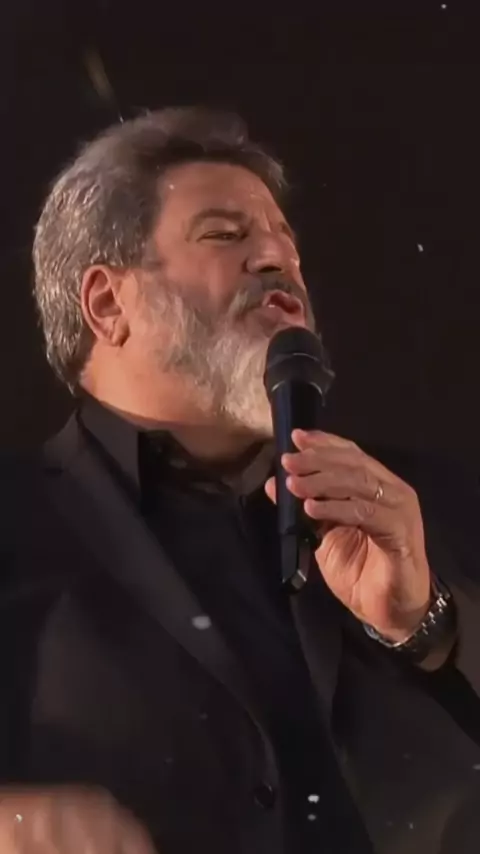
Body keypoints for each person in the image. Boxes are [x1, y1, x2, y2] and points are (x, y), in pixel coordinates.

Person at [1, 106, 480, 854]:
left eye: (286, 240)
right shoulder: (16, 519)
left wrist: (430, 624)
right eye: (225, 235)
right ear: (106, 303)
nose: (278, 258)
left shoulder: (420, 504)